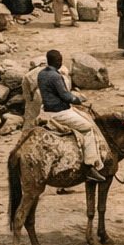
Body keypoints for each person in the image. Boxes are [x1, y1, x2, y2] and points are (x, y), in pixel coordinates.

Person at [37, 48, 104, 182]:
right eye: (58, 60)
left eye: (61, 60)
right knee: (88, 127)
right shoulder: (56, 76)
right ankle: (90, 165)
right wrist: (79, 99)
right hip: (59, 113)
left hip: (46, 111)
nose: (60, 62)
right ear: (52, 61)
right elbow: (66, 96)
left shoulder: (41, 74)